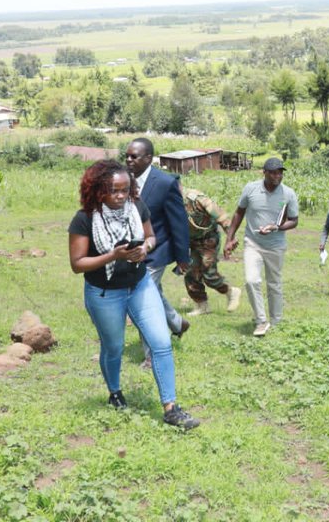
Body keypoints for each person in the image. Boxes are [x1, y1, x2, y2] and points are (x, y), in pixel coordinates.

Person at [67, 160, 199, 429]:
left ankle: (171, 408)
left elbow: (151, 237)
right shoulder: (84, 219)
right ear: (98, 190)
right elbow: (77, 264)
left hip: (140, 285)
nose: (120, 196)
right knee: (113, 347)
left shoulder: (137, 207)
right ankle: (115, 393)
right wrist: (112, 255)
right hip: (104, 293)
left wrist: (145, 249)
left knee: (161, 342)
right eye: (114, 190)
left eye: (125, 190)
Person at [224, 157, 300, 337]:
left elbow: (294, 221)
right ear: (264, 172)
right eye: (273, 172)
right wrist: (229, 238)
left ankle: (276, 321)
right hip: (253, 243)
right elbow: (239, 213)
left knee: (274, 284)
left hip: (276, 246)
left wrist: (277, 227)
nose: (277, 176)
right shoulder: (251, 189)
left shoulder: (288, 194)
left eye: (280, 172)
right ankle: (261, 321)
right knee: (252, 281)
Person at [125, 138, 191, 341]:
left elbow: (178, 223)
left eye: (133, 156)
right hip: (131, 251)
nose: (128, 160)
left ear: (148, 158)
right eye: (126, 156)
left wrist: (182, 257)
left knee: (143, 300)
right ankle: (177, 323)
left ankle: (152, 352)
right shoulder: (122, 180)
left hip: (157, 251)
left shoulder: (165, 183)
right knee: (153, 292)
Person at [181, 187, 241, 315]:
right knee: (191, 273)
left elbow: (222, 216)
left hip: (208, 239)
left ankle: (231, 291)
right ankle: (202, 306)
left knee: (208, 273)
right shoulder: (171, 202)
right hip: (192, 241)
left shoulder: (196, 199)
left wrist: (231, 238)